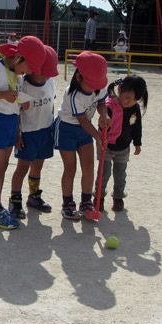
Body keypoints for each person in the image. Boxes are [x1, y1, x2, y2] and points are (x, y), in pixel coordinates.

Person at [0, 36, 46, 229]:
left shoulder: (18, 74)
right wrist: (3, 95)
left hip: (12, 123)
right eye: (29, 67)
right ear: (20, 57)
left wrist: (18, 128)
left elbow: (16, 104)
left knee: (4, 166)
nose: (29, 73)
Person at [55, 51, 109, 220]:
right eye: (91, 84)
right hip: (67, 130)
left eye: (97, 84)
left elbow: (101, 102)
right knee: (70, 168)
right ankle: (67, 203)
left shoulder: (98, 88)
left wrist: (104, 115)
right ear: (78, 76)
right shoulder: (73, 94)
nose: (94, 88)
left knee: (88, 167)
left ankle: (86, 202)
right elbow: (84, 121)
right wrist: (98, 137)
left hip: (86, 131)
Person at [8, 45, 58, 218]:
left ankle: (34, 196)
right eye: (44, 72)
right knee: (22, 168)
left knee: (38, 167)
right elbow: (17, 112)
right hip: (28, 134)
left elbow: (52, 105)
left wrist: (51, 126)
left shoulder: (50, 82)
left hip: (45, 131)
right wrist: (17, 135)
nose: (47, 76)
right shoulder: (23, 85)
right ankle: (15, 200)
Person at [93, 76, 148, 212]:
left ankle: (118, 197)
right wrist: (102, 133)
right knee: (103, 173)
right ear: (119, 90)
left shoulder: (134, 108)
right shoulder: (109, 106)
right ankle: (98, 197)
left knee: (120, 174)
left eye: (135, 99)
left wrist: (137, 143)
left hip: (123, 147)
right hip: (106, 146)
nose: (130, 102)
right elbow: (102, 125)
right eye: (127, 97)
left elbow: (137, 126)